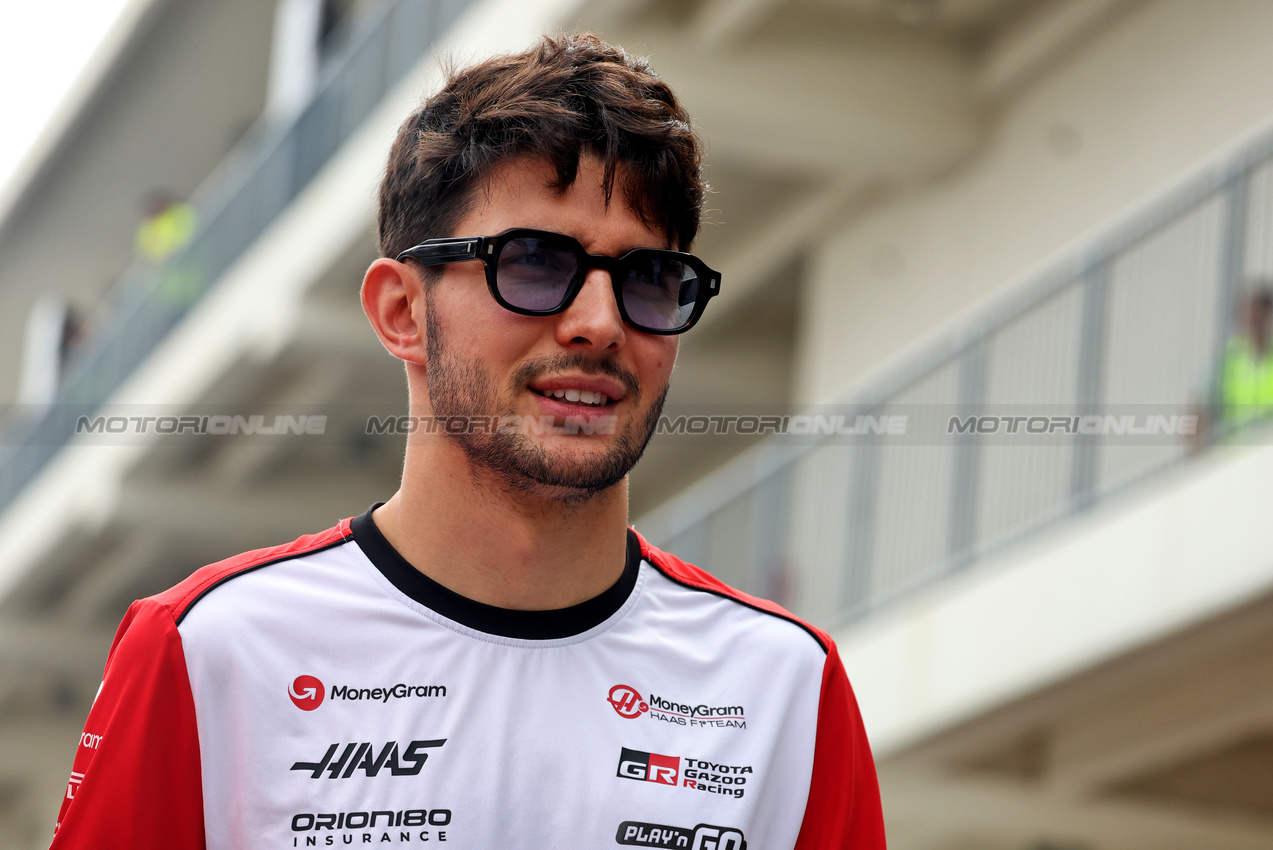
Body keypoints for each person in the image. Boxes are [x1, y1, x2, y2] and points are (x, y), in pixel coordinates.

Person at [51, 34, 885, 849]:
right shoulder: (207, 648)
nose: (599, 323)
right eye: (531, 263)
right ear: (401, 312)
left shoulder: (786, 688)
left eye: (648, 278)